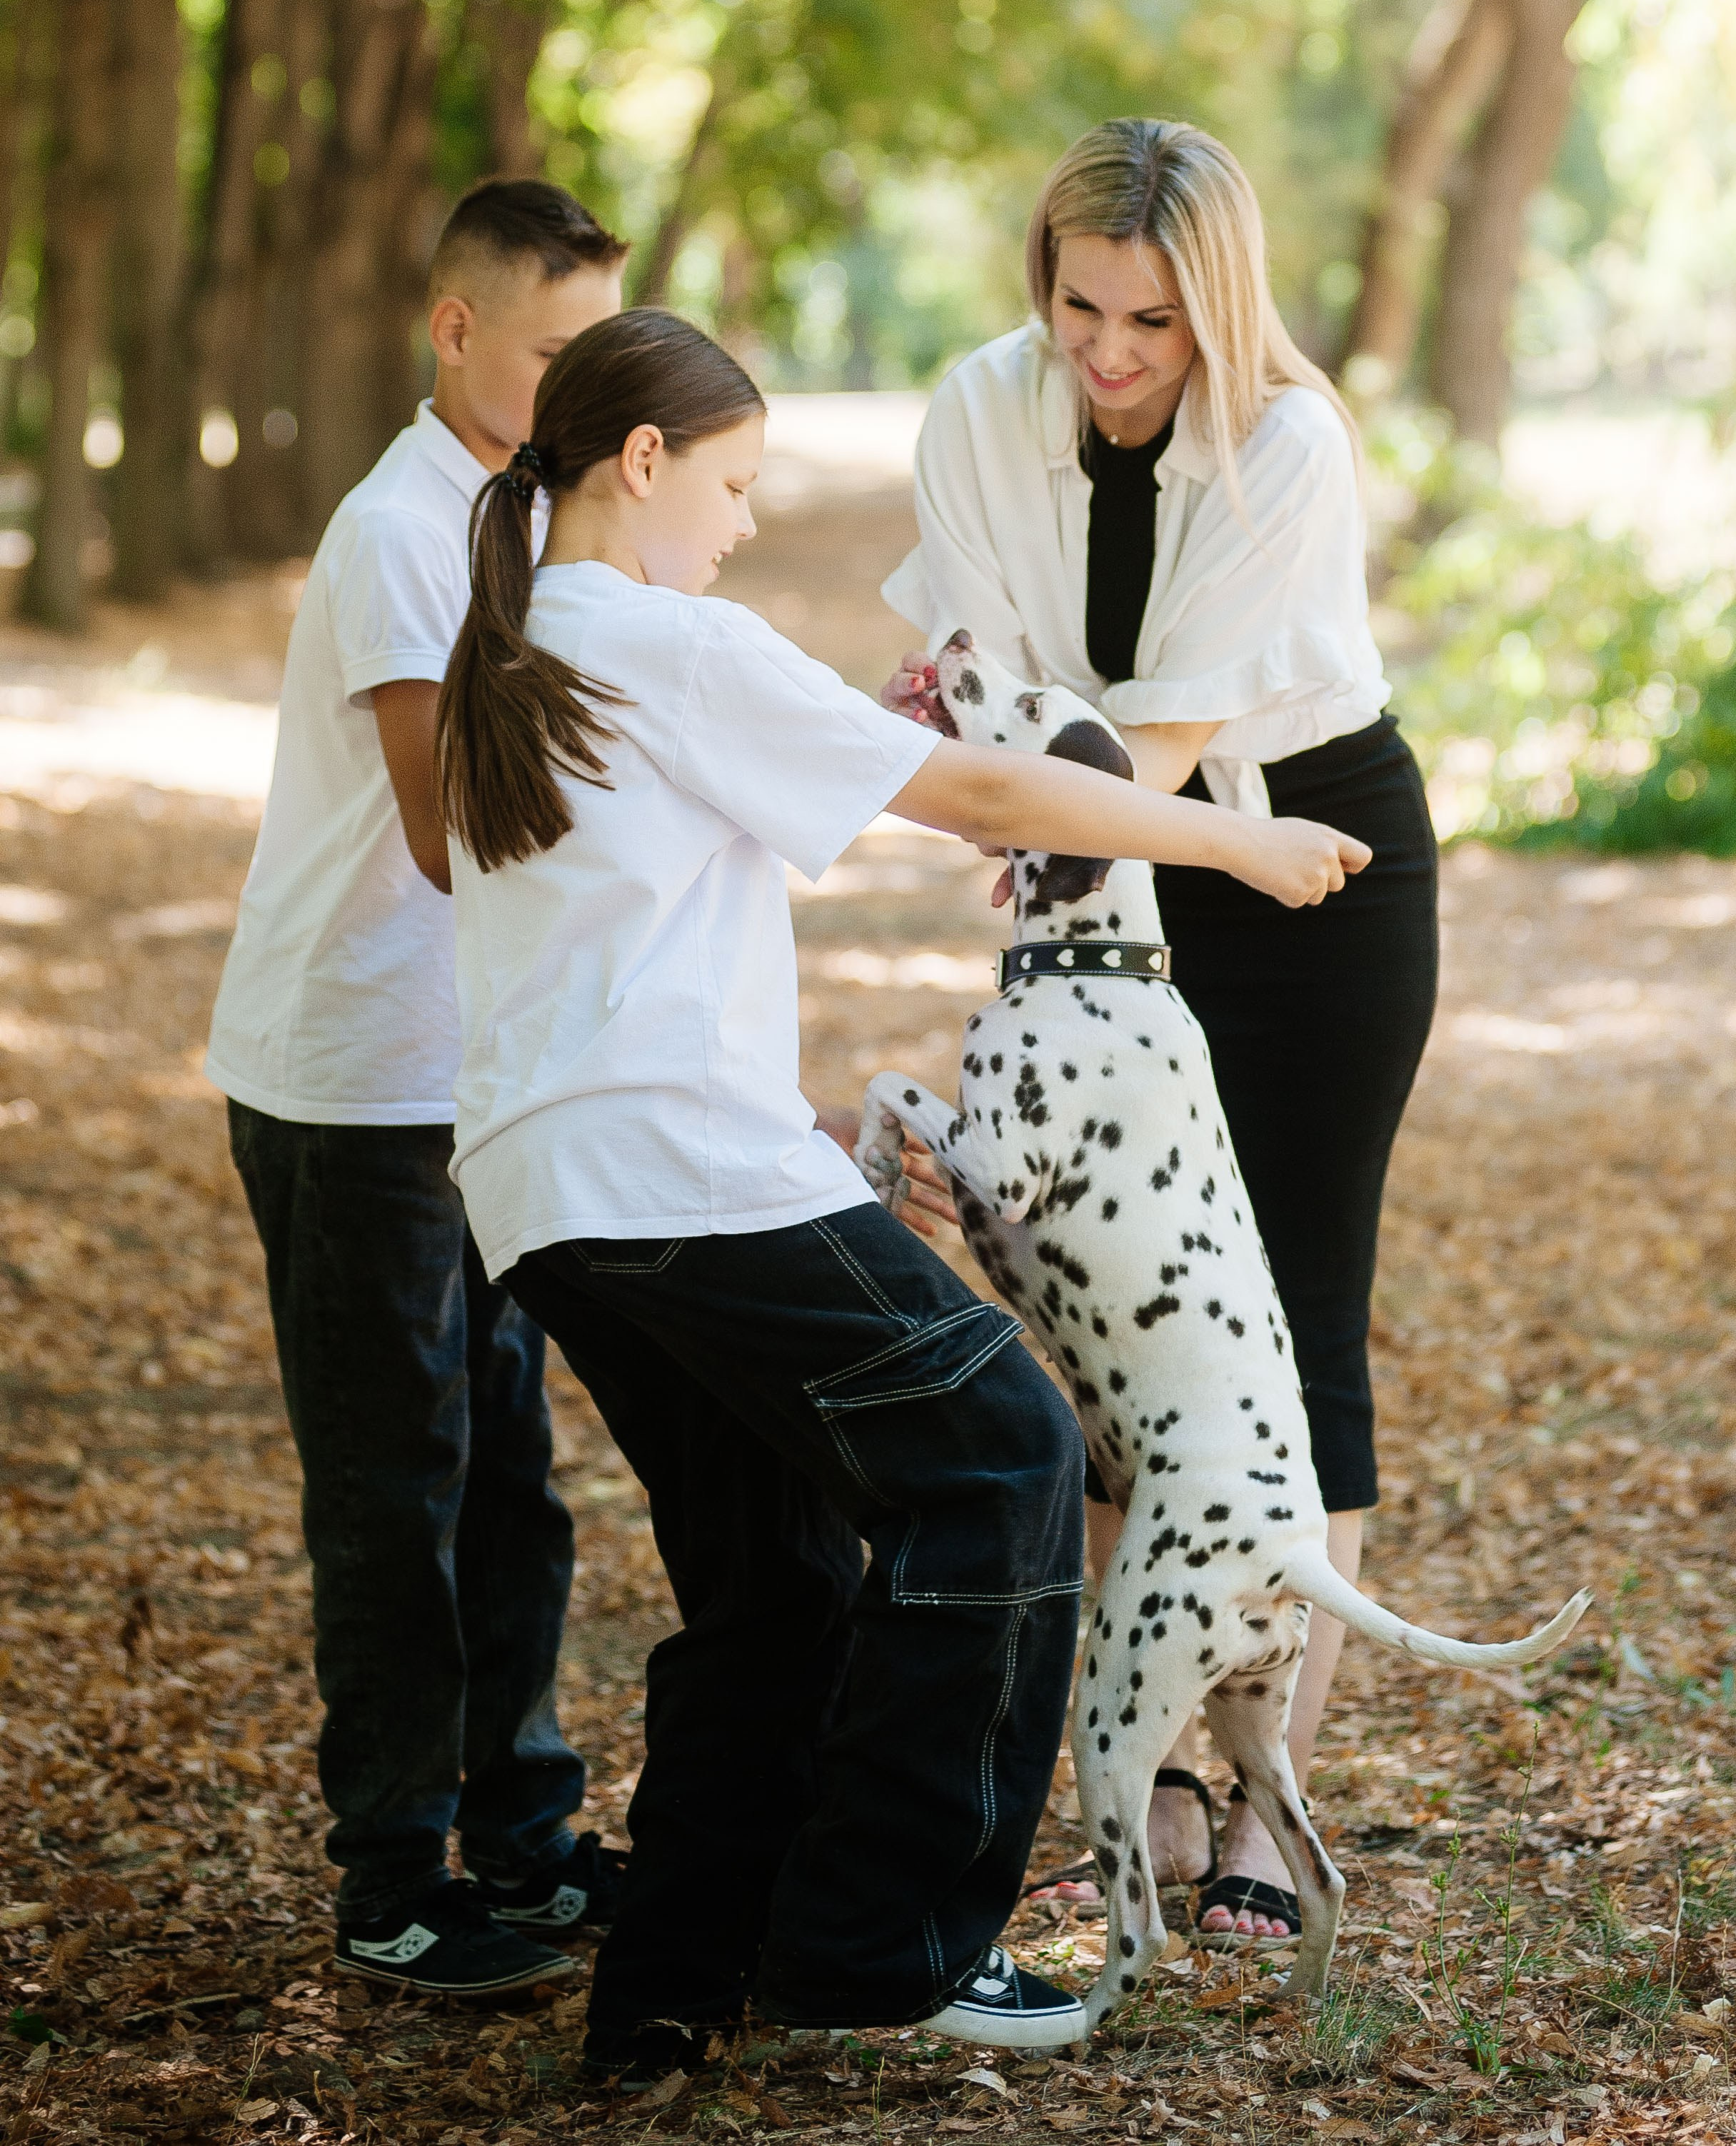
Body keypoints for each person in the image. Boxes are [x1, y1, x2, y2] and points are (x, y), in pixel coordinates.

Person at [432, 303, 1368, 2067]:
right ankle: (879, 1950)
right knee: (1003, 1462)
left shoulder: (523, 644)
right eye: (734, 480)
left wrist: (820, 1146)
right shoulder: (660, 634)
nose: (746, 519)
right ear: (644, 464)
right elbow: (971, 786)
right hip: (671, 1182)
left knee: (778, 1582)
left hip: (559, 1196)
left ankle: (672, 1987)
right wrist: (1231, 836)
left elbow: (620, 965)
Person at [879, 119, 1439, 1950]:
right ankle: (1163, 1785)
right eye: (1078, 305)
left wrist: (1024, 804)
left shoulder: (1287, 437)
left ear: (1221, 308)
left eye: (1152, 320)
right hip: (1101, 850)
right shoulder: (975, 408)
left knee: (1283, 1332)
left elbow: (1162, 757)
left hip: (1296, 871)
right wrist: (1022, 800)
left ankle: (1262, 1806)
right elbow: (984, 695)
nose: (1109, 352)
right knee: (1114, 1351)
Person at [206, 179, 632, 1997]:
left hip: (472, 1080)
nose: (590, 390)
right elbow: (454, 836)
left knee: (512, 1477)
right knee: (398, 1485)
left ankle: (524, 1839)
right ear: (453, 331)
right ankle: (393, 1876)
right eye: (557, 355)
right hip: (348, 1075)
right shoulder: (405, 530)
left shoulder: (534, 508)